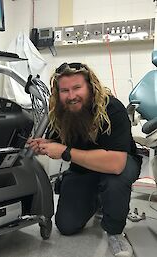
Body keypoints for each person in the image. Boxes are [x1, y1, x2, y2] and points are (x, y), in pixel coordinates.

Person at [28, 62, 142, 257]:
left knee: (114, 181)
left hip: (120, 163)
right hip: (84, 169)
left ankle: (115, 232)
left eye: (77, 88)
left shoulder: (112, 109)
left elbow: (115, 164)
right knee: (66, 225)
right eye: (65, 90)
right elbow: (57, 142)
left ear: (90, 86)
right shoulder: (62, 112)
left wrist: (64, 152)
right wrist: (43, 146)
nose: (71, 96)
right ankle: (99, 200)